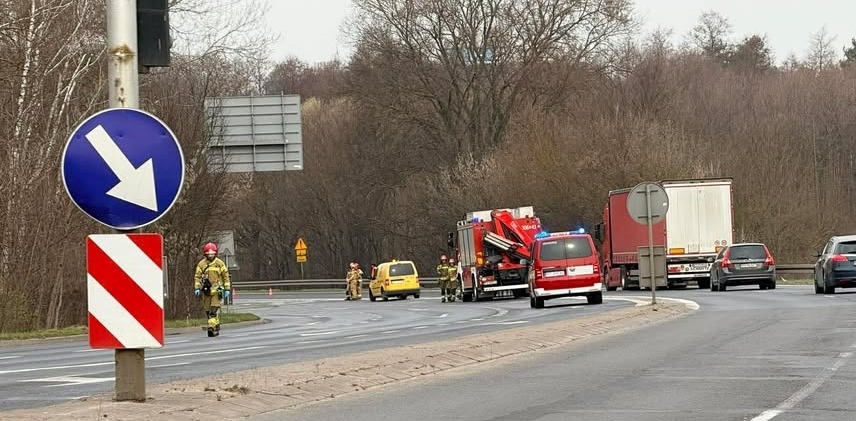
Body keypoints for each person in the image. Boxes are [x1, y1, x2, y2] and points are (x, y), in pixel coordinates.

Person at [194, 243, 231, 337]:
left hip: (217, 291)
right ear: (205, 254)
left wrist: (227, 289)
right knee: (207, 311)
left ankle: (211, 327)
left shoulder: (220, 263)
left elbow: (225, 276)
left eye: (212, 254)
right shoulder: (201, 264)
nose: (210, 256)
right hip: (206, 291)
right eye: (209, 254)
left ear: (215, 253)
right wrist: (197, 287)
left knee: (213, 311)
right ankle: (216, 325)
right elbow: (197, 277)